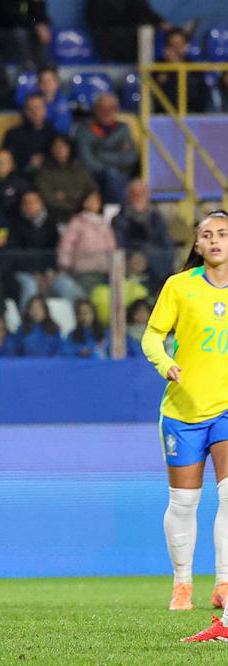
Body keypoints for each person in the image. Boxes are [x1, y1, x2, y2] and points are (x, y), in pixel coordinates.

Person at [142, 211, 228, 622]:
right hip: (183, 410)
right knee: (184, 502)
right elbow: (152, 335)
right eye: (207, 235)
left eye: (223, 234)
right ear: (196, 245)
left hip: (225, 408)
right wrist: (164, 363)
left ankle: (224, 582)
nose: (215, 241)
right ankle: (182, 583)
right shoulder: (179, 286)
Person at [73, 93, 138, 204]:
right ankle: (118, 208)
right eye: (102, 109)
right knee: (110, 174)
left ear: (116, 110)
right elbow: (87, 160)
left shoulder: (123, 128)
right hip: (93, 176)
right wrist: (116, 154)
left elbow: (130, 157)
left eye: (111, 108)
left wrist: (100, 153)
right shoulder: (84, 128)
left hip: (120, 175)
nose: (107, 112)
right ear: (95, 110)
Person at [111, 178, 174, 282]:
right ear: (129, 196)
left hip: (156, 259)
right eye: (135, 194)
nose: (139, 197)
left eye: (142, 193)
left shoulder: (157, 218)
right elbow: (120, 246)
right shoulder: (120, 219)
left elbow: (167, 244)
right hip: (133, 260)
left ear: (148, 196)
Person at [57, 190, 116, 293]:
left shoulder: (104, 223)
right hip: (84, 269)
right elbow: (67, 244)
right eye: (91, 200)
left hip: (103, 270)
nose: (94, 203)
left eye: (96, 200)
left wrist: (113, 265)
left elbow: (111, 246)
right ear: (84, 203)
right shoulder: (77, 222)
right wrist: (65, 264)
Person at [35, 135, 99, 227]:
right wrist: (77, 202)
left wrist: (65, 196)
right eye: (56, 146)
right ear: (51, 149)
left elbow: (92, 190)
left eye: (63, 146)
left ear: (69, 148)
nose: (60, 149)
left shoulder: (80, 168)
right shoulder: (44, 172)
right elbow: (48, 198)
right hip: (58, 218)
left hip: (85, 216)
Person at [87, 0, 171, 63]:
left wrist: (161, 22)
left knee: (147, 31)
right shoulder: (99, 3)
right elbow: (96, 21)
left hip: (132, 36)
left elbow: (145, 12)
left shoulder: (136, 3)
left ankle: (147, 70)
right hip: (108, 38)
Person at [155, 28, 209, 114]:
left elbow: (199, 99)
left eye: (179, 44)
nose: (176, 49)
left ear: (185, 46)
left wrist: (179, 68)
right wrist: (170, 70)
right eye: (172, 45)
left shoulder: (194, 69)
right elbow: (159, 100)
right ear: (166, 48)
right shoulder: (157, 68)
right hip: (164, 116)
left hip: (191, 115)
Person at [3, 93, 57, 173]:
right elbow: (6, 159)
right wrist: (28, 161)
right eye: (30, 109)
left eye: (38, 108)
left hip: (49, 174)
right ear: (25, 111)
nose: (35, 112)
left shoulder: (53, 133)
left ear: (45, 110)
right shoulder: (13, 134)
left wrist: (44, 159)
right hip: (21, 174)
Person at [0, 148, 28, 223]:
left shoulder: (22, 184)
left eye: (5, 161)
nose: (1, 165)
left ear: (12, 165)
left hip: (17, 222)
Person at [36, 66, 72, 136]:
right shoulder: (33, 101)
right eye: (43, 81)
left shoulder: (62, 99)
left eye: (49, 81)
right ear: (38, 85)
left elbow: (63, 128)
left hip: (59, 138)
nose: (46, 85)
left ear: (57, 83)